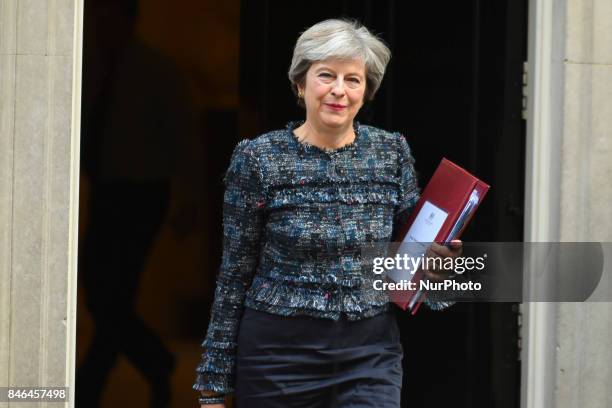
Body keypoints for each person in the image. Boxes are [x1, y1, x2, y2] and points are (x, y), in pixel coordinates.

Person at [193, 19, 463, 408]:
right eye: (326, 75)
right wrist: (213, 387)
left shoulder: (391, 153)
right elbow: (234, 273)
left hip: (370, 353)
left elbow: (414, 251)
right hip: (277, 357)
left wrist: (442, 273)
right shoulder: (258, 159)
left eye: (353, 79)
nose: (339, 90)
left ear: (366, 91)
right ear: (300, 84)